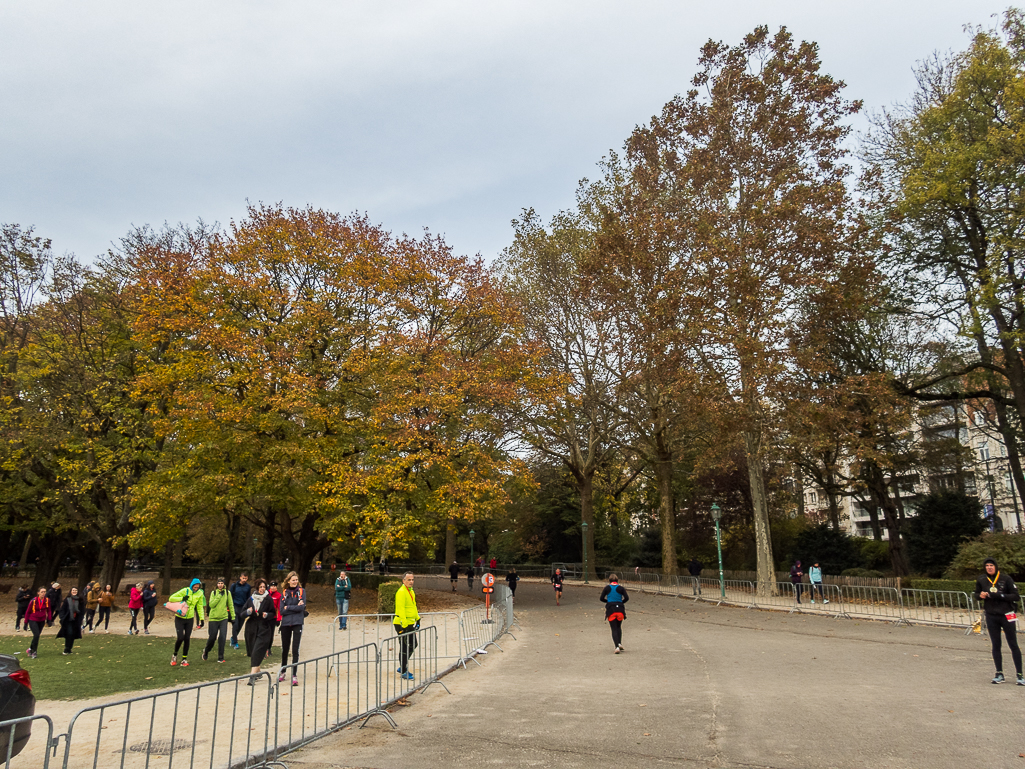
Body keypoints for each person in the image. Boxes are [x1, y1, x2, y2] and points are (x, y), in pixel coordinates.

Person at [974, 557, 1024, 685]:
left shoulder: (1005, 578)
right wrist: (980, 596)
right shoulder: (982, 579)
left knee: (1013, 643)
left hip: (1007, 614)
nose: (989, 567)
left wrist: (1000, 595)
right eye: (987, 566)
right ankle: (999, 673)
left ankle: (1019, 675)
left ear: (996, 566)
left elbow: (1016, 596)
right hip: (991, 615)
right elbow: (976, 594)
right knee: (996, 645)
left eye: (991, 565)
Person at [243, 579, 276, 685]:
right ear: (257, 588)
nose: (262, 589)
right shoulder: (251, 599)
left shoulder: (268, 599)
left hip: (264, 628)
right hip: (251, 628)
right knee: (253, 651)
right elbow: (242, 613)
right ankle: (258, 672)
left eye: (264, 587)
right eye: (260, 587)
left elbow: (273, 613)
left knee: (257, 650)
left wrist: (267, 615)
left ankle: (251, 677)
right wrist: (248, 612)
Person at [168, 578, 206, 667]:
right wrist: (182, 598)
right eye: (194, 587)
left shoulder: (200, 593)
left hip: (190, 618)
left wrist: (202, 619)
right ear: (191, 585)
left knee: (187, 638)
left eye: (197, 587)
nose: (196, 589)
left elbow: (200, 606)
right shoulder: (185, 590)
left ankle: (184, 659)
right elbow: (171, 598)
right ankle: (174, 655)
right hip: (180, 617)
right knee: (180, 637)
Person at [279, 572, 306, 686]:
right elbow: (282, 610)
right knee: (285, 649)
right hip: (285, 623)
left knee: (295, 649)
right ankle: (283, 671)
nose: (295, 581)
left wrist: (289, 607)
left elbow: (302, 607)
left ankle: (294, 675)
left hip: (297, 622)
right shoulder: (284, 593)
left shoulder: (301, 591)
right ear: (288, 581)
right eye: (293, 580)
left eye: (296, 580)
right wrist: (294, 607)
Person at [393, 572, 420, 681]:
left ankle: (402, 665)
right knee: (404, 646)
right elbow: (401, 609)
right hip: (401, 623)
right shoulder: (401, 592)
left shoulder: (411, 591)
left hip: (409, 622)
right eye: (409, 580)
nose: (411, 582)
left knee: (414, 644)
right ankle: (404, 671)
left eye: (412, 579)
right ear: (403, 581)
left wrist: (417, 618)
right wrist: (403, 624)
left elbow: (413, 606)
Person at [202, 577, 235, 663]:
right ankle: (206, 650)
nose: (220, 585)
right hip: (213, 618)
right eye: (219, 583)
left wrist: (233, 617)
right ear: (217, 584)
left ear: (224, 584)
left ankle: (221, 656)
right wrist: (219, 596)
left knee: (223, 637)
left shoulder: (228, 593)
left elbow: (230, 605)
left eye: (222, 583)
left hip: (224, 618)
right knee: (212, 637)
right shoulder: (214, 593)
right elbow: (211, 605)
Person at [599, 574, 629, 653]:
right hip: (620, 609)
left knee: (613, 629)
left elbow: (601, 598)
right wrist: (621, 602)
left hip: (611, 610)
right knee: (619, 627)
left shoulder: (607, 588)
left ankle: (616, 647)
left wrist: (608, 602)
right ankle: (619, 643)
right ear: (617, 580)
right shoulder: (621, 588)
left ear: (609, 580)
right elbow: (627, 598)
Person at [24, 587, 52, 659]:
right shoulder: (33, 601)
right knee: (36, 635)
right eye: (42, 592)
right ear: (38, 593)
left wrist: (49, 619)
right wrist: (25, 623)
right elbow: (27, 611)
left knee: (37, 636)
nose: (43, 593)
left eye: (44, 592)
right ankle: (34, 652)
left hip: (42, 620)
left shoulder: (47, 600)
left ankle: (30, 649)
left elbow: (49, 610)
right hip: (33, 619)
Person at [56, 586, 84, 655]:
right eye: (73, 590)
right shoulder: (67, 600)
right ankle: (66, 648)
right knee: (69, 633)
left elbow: (82, 610)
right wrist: (62, 618)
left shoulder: (80, 600)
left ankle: (69, 648)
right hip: (68, 620)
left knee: (73, 635)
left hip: (76, 620)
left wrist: (81, 618)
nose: (74, 592)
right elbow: (62, 609)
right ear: (71, 592)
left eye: (76, 590)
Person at [229, 573, 252, 649]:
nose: (244, 580)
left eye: (245, 578)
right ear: (240, 578)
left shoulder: (248, 587)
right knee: (235, 625)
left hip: (243, 608)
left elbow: (248, 597)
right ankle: (235, 642)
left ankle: (233, 638)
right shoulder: (234, 585)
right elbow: (230, 596)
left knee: (240, 625)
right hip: (235, 606)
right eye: (243, 578)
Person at [267, 581, 282, 658]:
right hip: (265, 617)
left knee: (271, 633)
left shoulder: (279, 595)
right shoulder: (266, 593)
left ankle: (269, 648)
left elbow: (279, 608)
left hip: (273, 618)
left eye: (274, 586)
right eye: (271, 586)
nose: (273, 587)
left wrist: (278, 619)